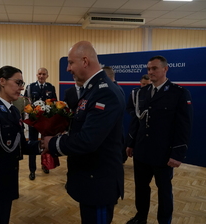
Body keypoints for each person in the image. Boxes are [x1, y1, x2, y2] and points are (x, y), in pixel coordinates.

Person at [43, 41, 125, 224]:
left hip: (98, 184)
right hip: (90, 180)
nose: (68, 68)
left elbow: (88, 140)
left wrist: (53, 144)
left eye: (71, 63)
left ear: (85, 61)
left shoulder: (104, 93)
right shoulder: (92, 90)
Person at [125, 56, 193, 224]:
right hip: (141, 150)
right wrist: (130, 143)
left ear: (165, 69)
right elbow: (137, 120)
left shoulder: (179, 93)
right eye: (148, 69)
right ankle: (141, 217)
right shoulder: (142, 92)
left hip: (163, 153)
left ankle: (164, 221)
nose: (150, 72)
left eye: (154, 68)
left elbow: (184, 126)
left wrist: (178, 154)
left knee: (164, 190)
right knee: (141, 188)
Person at [0, 65, 42, 224]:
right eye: (18, 82)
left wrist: (43, 145)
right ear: (2, 81)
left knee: (4, 216)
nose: (22, 87)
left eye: (22, 83)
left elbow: (20, 145)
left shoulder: (14, 111)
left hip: (9, 176)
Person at [24, 67, 57, 180]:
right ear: (36, 75)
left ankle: (45, 165)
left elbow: (54, 103)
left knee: (45, 144)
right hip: (33, 121)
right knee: (32, 144)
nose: (41, 76)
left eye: (44, 74)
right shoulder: (30, 87)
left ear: (47, 76)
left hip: (45, 121)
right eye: (39, 74)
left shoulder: (50, 87)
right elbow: (25, 102)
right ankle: (32, 170)